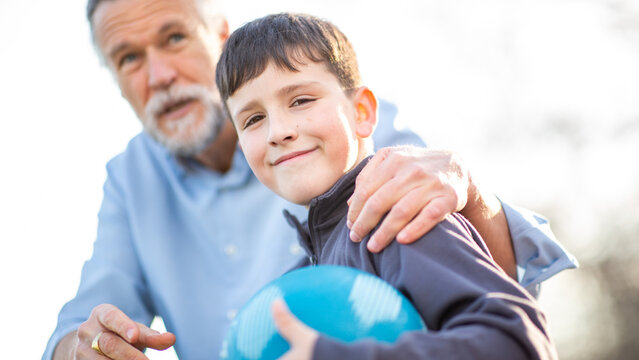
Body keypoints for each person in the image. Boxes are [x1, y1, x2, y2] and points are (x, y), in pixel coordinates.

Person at [43, 0, 576, 359]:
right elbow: (81, 323)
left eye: (175, 37)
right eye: (129, 57)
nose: (159, 75)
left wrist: (471, 192)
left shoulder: (381, 199)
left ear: (219, 40)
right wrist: (83, 346)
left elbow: (507, 324)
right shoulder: (128, 182)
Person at [216, 12, 557, 359]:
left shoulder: (401, 219)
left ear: (362, 112)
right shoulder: (298, 278)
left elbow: (517, 345)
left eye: (301, 100)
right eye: (253, 119)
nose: (278, 132)